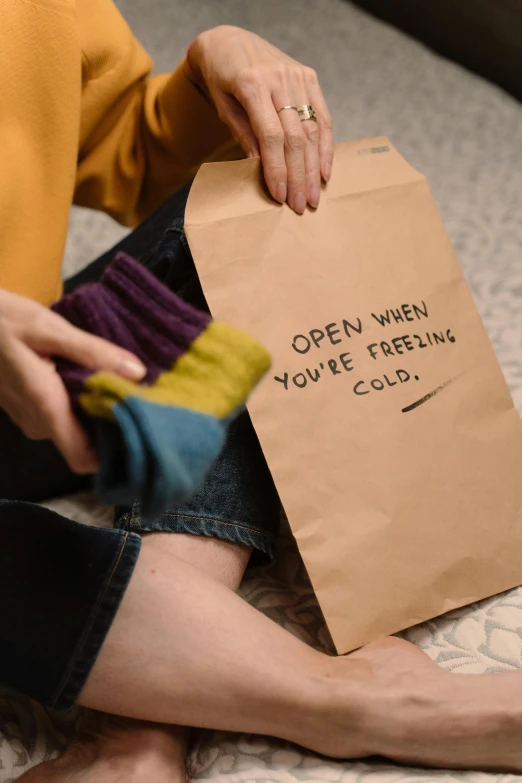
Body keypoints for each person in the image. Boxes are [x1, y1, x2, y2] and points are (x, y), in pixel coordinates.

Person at [0, 2, 520, 781]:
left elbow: (127, 149)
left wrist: (214, 65)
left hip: (24, 374)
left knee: (249, 232)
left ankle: (145, 724)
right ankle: (346, 696)